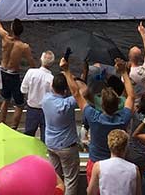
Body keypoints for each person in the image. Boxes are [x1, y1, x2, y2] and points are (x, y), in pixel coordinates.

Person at [82, 59, 137, 184]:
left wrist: (80, 71)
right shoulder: (123, 118)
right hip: (117, 162)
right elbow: (131, 96)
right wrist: (124, 72)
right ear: (118, 103)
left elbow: (79, 93)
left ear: (101, 104)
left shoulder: (93, 117)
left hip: (96, 161)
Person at [0, 0, 34, 129]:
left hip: (2, 71)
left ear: (11, 29)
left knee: (5, 99)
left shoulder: (5, 37)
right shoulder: (23, 47)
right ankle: (14, 128)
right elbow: (32, 64)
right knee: (19, 104)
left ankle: (2, 124)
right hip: (13, 75)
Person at [43, 55, 82, 195]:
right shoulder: (67, 103)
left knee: (55, 178)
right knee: (70, 180)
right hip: (66, 147)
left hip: (51, 144)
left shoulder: (45, 99)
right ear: (66, 91)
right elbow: (78, 93)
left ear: (52, 86)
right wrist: (67, 71)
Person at [88, 129, 140, 195]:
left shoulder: (98, 166)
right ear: (126, 146)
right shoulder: (134, 169)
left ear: (109, 145)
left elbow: (91, 192)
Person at [20, 51, 55, 138]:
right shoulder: (52, 79)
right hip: (46, 111)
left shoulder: (31, 72)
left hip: (32, 108)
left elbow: (23, 89)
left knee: (29, 134)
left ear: (41, 59)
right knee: (45, 135)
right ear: (52, 63)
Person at [129, 23, 145, 96]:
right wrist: (143, 34)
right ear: (140, 58)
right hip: (144, 100)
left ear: (129, 56)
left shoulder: (127, 74)